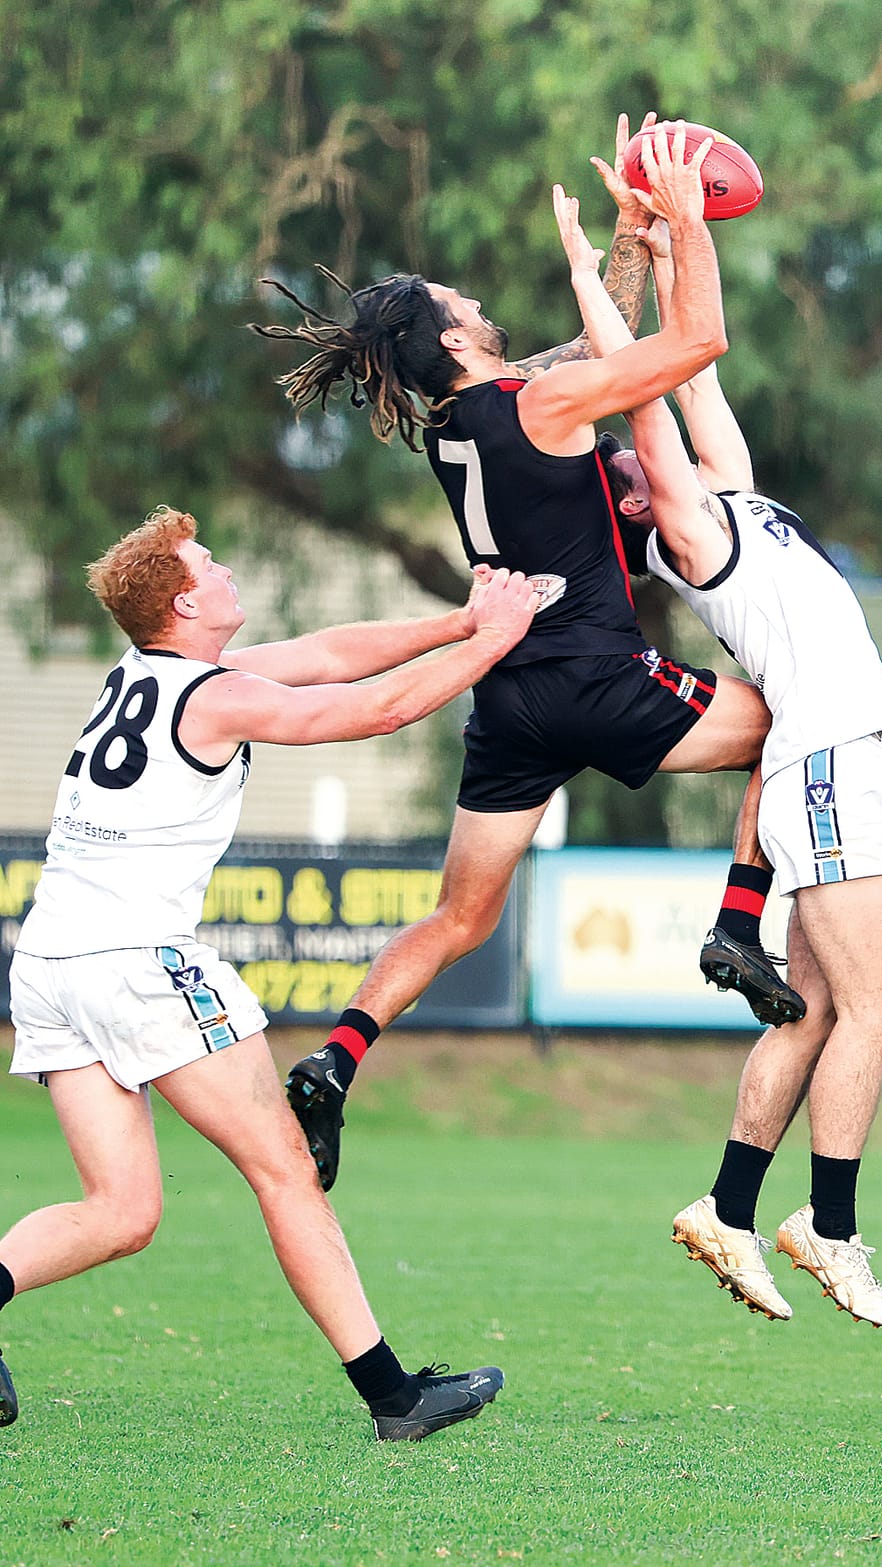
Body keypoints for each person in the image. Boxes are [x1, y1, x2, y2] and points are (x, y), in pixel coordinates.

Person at [253, 122, 801, 1194]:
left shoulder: (456, 424)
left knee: (459, 918)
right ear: (455, 340)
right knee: (792, 723)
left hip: (507, 700)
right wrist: (689, 227)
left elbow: (596, 351)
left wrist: (625, 238)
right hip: (596, 676)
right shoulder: (535, 402)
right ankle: (740, 926)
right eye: (459, 302)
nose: (474, 304)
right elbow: (687, 349)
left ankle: (335, 1057)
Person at [0, 506, 534, 1440]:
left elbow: (331, 654)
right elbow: (377, 708)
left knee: (122, 1210)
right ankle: (395, 1398)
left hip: (48, 963)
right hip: (135, 961)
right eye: (207, 562)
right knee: (286, 1167)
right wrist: (497, 640)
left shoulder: (153, 676)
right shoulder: (215, 696)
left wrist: (456, 621)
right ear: (182, 600)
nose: (224, 567)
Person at [557, 190, 882, 1327]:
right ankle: (834, 1223)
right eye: (627, 466)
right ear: (638, 505)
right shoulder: (693, 533)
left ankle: (727, 1205)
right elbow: (655, 387)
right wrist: (624, 246)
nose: (635, 456)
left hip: (842, 756)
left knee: (812, 1009)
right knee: (876, 1007)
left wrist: (664, 250)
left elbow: (695, 377)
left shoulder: (739, 502)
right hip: (829, 758)